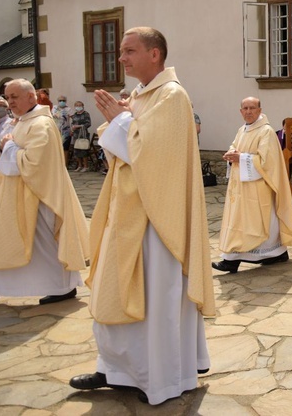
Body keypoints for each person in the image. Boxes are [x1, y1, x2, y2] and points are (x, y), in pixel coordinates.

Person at [69, 27, 215, 405]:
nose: (121, 58)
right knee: (114, 287)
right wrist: (122, 119)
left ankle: (161, 376)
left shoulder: (172, 96)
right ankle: (115, 368)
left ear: (155, 54)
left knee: (156, 297)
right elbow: (129, 149)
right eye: (120, 51)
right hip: (128, 211)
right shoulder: (142, 96)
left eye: (129, 50)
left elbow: (153, 157)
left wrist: (120, 121)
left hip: (156, 221)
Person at [0, 79, 88, 305]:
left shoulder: (41, 125)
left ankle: (62, 287)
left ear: (31, 96)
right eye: (8, 97)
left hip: (40, 197)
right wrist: (6, 146)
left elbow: (34, 163)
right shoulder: (22, 121)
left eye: (15, 97)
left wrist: (8, 147)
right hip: (18, 195)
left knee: (45, 246)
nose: (10, 102)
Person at [211, 97, 292, 272]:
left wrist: (241, 158)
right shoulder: (242, 130)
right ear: (240, 111)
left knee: (257, 221)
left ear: (259, 110)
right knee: (241, 221)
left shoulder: (265, 132)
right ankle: (277, 253)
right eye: (245, 108)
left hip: (259, 187)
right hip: (241, 187)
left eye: (252, 108)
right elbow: (236, 146)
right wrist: (231, 154)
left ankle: (232, 260)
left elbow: (267, 162)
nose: (248, 111)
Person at [71, 101, 92, 172]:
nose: (78, 106)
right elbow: (73, 123)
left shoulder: (86, 114)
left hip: (83, 134)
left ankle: (86, 166)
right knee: (76, 150)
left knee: (83, 150)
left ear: (82, 106)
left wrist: (80, 126)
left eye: (80, 105)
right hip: (76, 134)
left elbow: (88, 123)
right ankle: (79, 165)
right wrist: (72, 128)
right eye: (77, 105)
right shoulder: (74, 115)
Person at [52, 95, 72, 167]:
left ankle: (65, 165)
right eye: (60, 100)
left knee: (65, 149)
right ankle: (57, 165)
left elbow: (71, 119)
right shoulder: (54, 108)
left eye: (63, 100)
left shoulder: (68, 109)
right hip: (56, 131)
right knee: (56, 148)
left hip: (66, 131)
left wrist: (71, 129)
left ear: (66, 101)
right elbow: (54, 116)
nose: (62, 102)